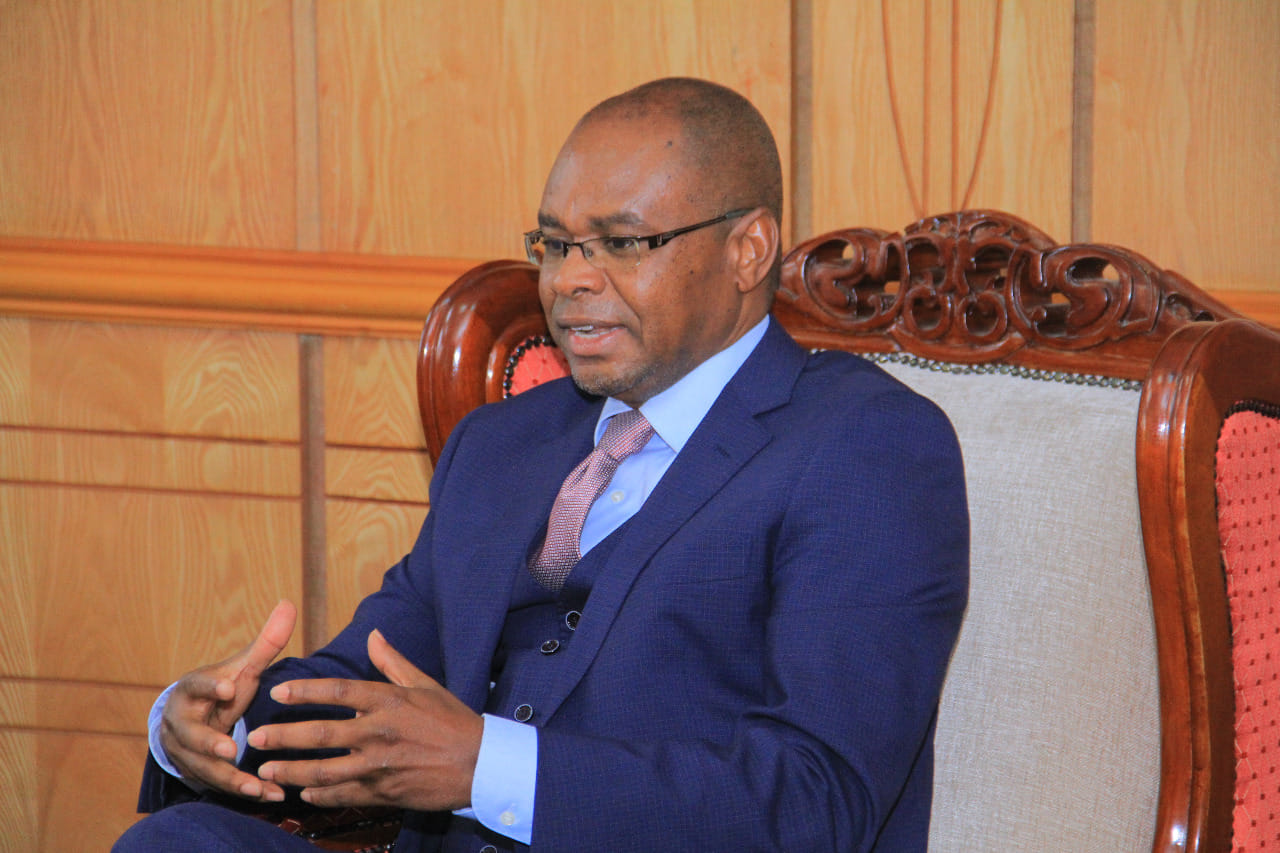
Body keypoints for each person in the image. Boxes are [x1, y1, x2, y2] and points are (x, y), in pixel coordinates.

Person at [115, 77, 968, 852]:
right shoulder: (499, 445)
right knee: (179, 844)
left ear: (748, 250)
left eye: (622, 243)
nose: (568, 281)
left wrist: (485, 767)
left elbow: (818, 801)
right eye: (556, 245)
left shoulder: (867, 446)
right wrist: (210, 728)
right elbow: (372, 682)